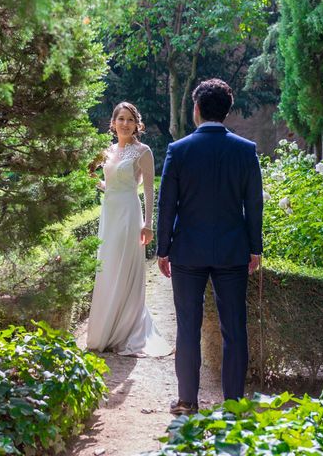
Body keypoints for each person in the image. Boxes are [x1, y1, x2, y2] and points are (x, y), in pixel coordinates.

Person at [156, 79, 263, 415]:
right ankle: (233, 403)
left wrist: (163, 249)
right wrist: (255, 248)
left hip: (187, 251)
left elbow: (166, 204)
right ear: (227, 111)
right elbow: (254, 204)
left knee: (188, 325)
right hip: (233, 251)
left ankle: (187, 400)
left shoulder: (179, 150)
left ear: (197, 109)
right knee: (235, 328)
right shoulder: (246, 150)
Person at [86, 102, 171, 357]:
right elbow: (109, 183)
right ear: (112, 123)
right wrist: (97, 181)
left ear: (137, 125)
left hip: (128, 215)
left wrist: (148, 225)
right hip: (109, 215)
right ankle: (107, 329)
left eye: (130, 120)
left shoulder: (143, 152)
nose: (125, 124)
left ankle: (126, 330)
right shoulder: (106, 151)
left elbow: (147, 190)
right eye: (120, 119)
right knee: (109, 268)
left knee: (124, 267)